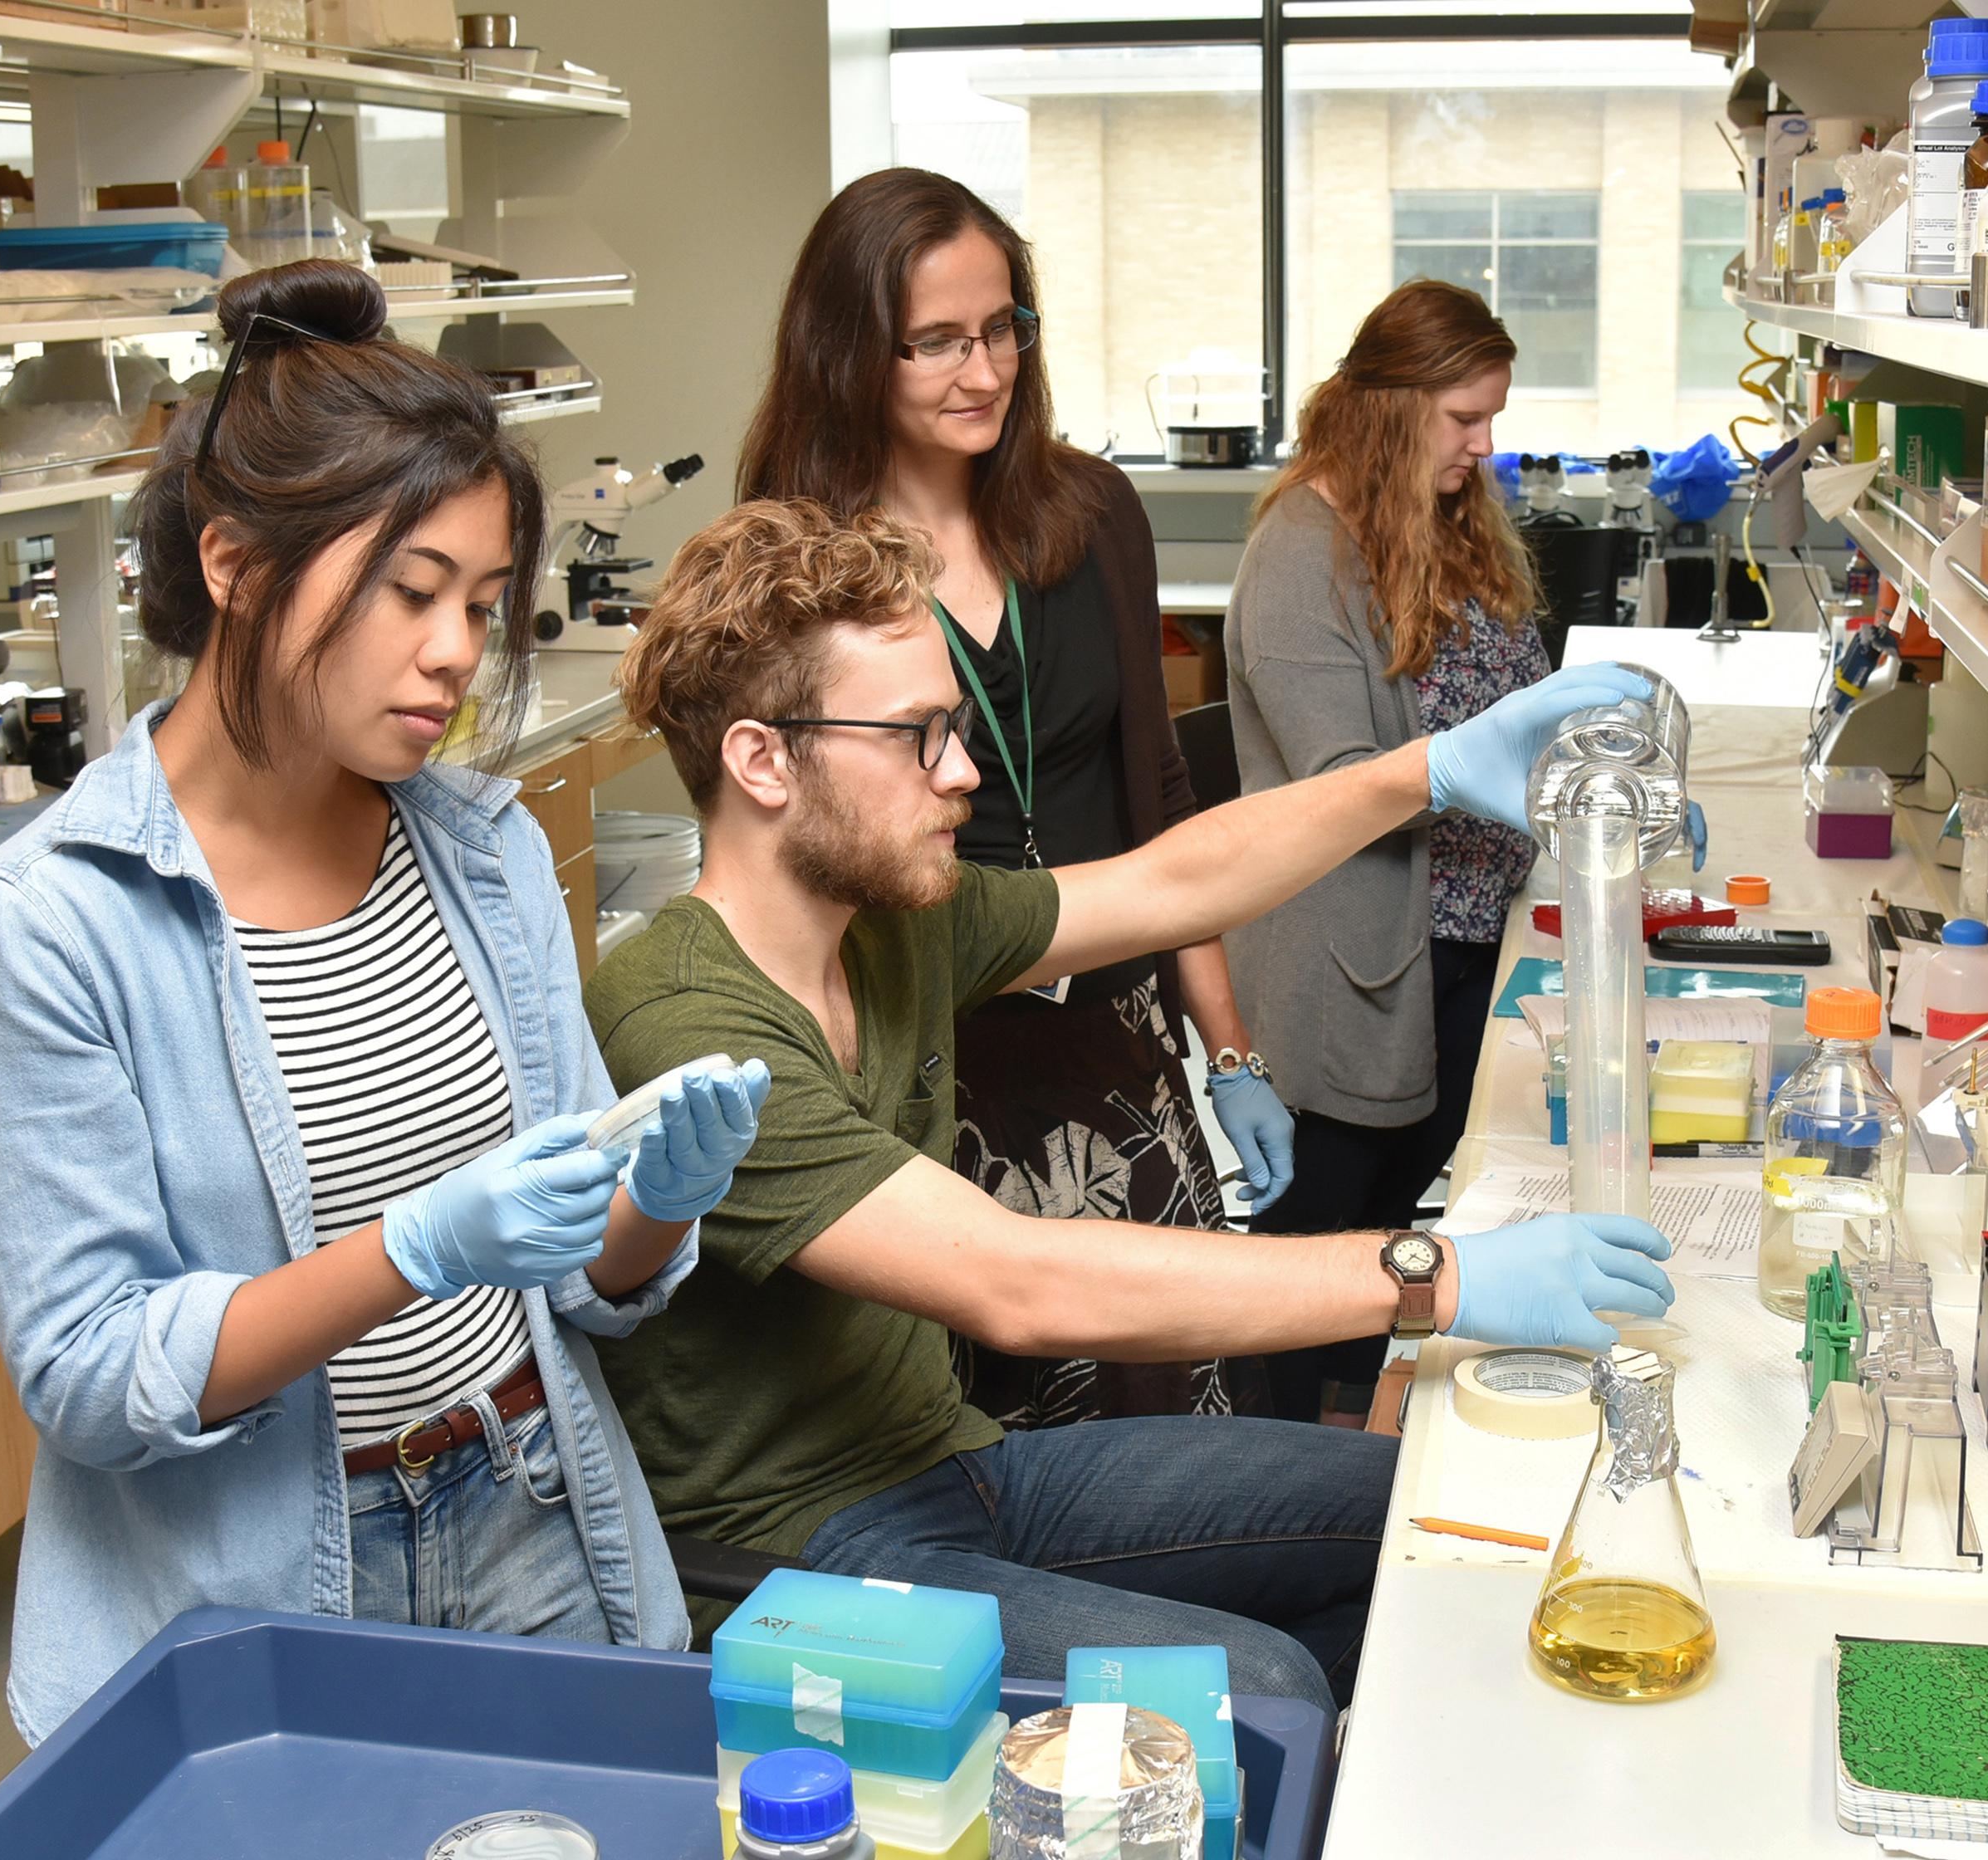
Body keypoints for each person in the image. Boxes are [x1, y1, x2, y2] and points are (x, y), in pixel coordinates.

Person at [583, 497, 1677, 1716]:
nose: (964, 769)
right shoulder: (682, 1016)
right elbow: (1025, 1283)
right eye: (916, 735)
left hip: (956, 1468)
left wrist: (1425, 771)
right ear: (762, 759)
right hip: (796, 1559)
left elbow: (1170, 881)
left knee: (1423, 1516)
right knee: (1259, 1692)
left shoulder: (894, 925)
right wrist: (1435, 1274)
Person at [0, 262, 765, 1745]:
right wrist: (413, 1248)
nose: (455, 651)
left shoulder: (482, 850)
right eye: (411, 590)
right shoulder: (46, 927)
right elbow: (96, 1373)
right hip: (247, 1592)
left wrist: (653, 1211)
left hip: (529, 1514)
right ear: (236, 562)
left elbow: (575, 1282)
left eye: (483, 601)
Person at [735, 168, 1289, 1427]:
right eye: (936, 341)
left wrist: (1231, 1050)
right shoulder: (800, 556)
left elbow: (1158, 798)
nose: (982, 371)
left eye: (1002, 330)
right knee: (993, 1448)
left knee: (1172, 1422)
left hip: (1118, 1042)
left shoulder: (1090, 513)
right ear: (847, 352)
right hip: (935, 1050)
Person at [1224, 280, 1706, 1426]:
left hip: (1458, 942)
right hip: (1352, 967)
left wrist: (1618, 763)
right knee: (1320, 1259)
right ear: (1387, 410)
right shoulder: (1302, 556)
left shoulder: (1445, 522)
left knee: (1391, 1226)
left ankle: (1352, 1433)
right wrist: (1525, 782)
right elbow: (1350, 781)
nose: (1485, 443)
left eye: (1491, 416)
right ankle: (1287, 1467)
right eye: (1463, 419)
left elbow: (1516, 709)